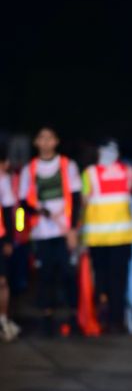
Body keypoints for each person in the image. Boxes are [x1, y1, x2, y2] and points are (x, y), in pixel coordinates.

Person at [18, 127, 82, 336]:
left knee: (68, 273)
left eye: (49, 138)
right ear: (36, 142)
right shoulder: (30, 169)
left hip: (64, 232)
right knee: (45, 276)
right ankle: (47, 319)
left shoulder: (67, 165)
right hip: (42, 232)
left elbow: (76, 198)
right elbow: (23, 202)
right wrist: (39, 210)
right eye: (41, 138)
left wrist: (72, 229)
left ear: (56, 141)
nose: (45, 142)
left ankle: (73, 317)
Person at [81, 138, 132, 332]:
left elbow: (84, 203)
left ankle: (106, 319)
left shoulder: (89, 173)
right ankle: (115, 321)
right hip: (118, 237)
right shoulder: (127, 171)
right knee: (117, 281)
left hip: (103, 238)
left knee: (103, 280)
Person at [0, 151, 20, 341]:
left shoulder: (4, 180)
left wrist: (9, 240)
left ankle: (3, 320)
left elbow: (9, 212)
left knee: (2, 282)